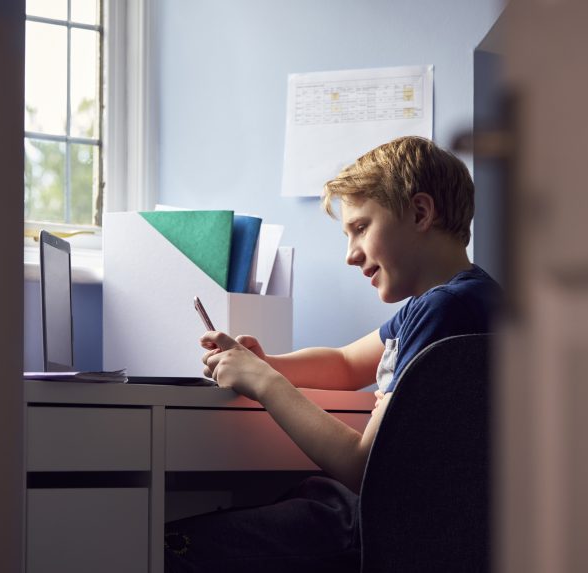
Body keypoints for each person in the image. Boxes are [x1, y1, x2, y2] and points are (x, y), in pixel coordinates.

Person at [164, 136, 502, 572]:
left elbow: (366, 468)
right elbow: (345, 363)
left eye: (360, 227)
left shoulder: (445, 311)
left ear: (420, 213)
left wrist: (265, 384)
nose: (350, 254)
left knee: (171, 544)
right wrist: (265, 363)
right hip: (423, 526)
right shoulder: (468, 300)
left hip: (381, 528)